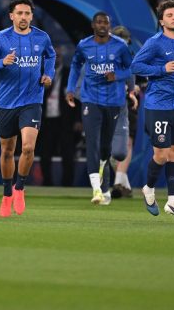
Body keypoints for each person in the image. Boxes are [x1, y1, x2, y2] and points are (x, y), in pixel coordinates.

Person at [0, 0, 55, 217]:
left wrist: (48, 75)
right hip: (7, 102)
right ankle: (6, 194)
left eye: (27, 13)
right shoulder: (0, 39)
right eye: (19, 13)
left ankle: (19, 188)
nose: (23, 17)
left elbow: (51, 55)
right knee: (7, 151)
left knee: (28, 148)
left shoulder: (42, 37)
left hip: (32, 100)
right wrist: (2, 62)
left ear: (32, 16)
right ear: (11, 16)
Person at [131, 0, 174, 219]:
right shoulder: (155, 43)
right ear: (161, 21)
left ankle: (173, 202)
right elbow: (135, 66)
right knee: (162, 154)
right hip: (158, 105)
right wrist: (162, 69)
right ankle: (148, 189)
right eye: (169, 15)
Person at [65, 11, 132, 204]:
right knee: (92, 143)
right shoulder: (84, 45)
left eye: (106, 23)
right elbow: (75, 66)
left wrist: (116, 76)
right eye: (99, 22)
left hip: (113, 101)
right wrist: (70, 89)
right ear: (93, 25)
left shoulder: (120, 46)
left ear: (109, 26)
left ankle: (105, 186)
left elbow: (130, 69)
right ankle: (96, 190)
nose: (102, 25)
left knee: (105, 147)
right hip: (90, 100)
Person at [38, 46, 77, 187]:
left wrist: (78, 120)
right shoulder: (41, 74)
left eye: (57, 57)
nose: (55, 60)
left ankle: (67, 184)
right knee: (45, 153)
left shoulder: (69, 74)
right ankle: (47, 182)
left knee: (67, 153)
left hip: (64, 119)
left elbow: (77, 98)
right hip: (46, 119)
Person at [110, 25, 139, 198]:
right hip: (106, 102)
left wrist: (134, 88)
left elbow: (141, 79)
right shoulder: (103, 57)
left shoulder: (134, 58)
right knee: (110, 145)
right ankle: (123, 182)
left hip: (127, 103)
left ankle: (118, 182)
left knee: (127, 142)